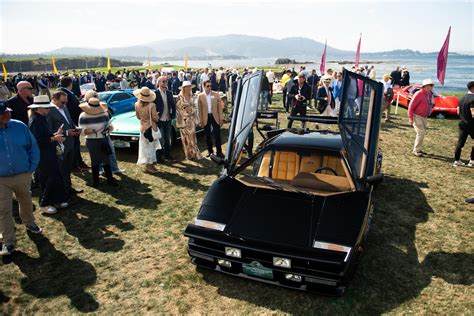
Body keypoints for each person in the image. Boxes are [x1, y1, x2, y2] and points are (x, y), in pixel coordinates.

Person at [0, 100, 42, 256]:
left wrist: (31, 168)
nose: (7, 114)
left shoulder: (19, 126)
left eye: (8, 111)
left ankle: (29, 222)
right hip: (1, 179)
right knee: (3, 210)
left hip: (22, 174)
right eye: (3, 113)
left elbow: (33, 147)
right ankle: (8, 241)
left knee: (25, 199)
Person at [28, 96, 70, 214]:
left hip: (48, 153)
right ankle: (45, 203)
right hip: (43, 154)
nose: (48, 110)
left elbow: (45, 135)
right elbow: (37, 140)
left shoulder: (41, 118)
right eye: (46, 107)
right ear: (38, 108)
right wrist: (54, 138)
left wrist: (55, 134)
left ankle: (57, 200)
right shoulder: (36, 120)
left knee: (55, 176)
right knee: (49, 178)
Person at [47, 90, 83, 195]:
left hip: (70, 144)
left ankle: (68, 187)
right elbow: (49, 130)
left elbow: (69, 121)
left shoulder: (64, 107)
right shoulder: (49, 111)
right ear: (54, 99)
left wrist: (75, 128)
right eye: (62, 102)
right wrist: (67, 133)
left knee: (67, 168)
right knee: (61, 169)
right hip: (59, 145)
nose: (65, 104)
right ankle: (63, 191)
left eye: (66, 102)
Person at [78, 97, 118, 187]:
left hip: (104, 139)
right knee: (95, 160)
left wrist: (109, 128)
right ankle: (96, 181)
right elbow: (82, 131)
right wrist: (93, 131)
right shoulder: (83, 116)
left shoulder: (104, 113)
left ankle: (110, 180)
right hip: (92, 141)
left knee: (106, 160)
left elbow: (110, 125)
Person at [59, 76, 89, 171]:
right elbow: (69, 109)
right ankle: (75, 164)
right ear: (70, 84)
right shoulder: (63, 93)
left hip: (73, 123)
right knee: (73, 145)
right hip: (71, 123)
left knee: (76, 144)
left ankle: (78, 162)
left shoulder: (66, 92)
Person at [134, 87, 161, 174]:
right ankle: (149, 167)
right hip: (150, 128)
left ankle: (151, 166)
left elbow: (138, 117)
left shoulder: (136, 104)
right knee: (151, 148)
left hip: (142, 129)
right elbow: (155, 118)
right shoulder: (152, 105)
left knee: (145, 148)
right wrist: (157, 116)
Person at [176, 81, 203, 160]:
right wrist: (185, 113)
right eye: (187, 87)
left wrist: (196, 117)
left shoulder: (191, 95)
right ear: (183, 88)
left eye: (189, 87)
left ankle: (195, 154)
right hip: (184, 121)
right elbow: (178, 110)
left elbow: (194, 107)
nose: (188, 88)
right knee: (185, 138)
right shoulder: (179, 97)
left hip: (191, 120)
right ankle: (188, 155)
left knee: (193, 137)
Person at [408, 79, 435, 157]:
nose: (432, 87)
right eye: (431, 85)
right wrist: (410, 118)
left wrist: (432, 104)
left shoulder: (429, 94)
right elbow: (411, 106)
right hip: (417, 116)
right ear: (426, 86)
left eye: (432, 85)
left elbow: (430, 104)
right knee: (421, 132)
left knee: (421, 133)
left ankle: (418, 149)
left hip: (424, 116)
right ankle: (416, 150)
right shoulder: (419, 94)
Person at [198, 80, 224, 158]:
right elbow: (199, 110)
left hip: (215, 117)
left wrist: (221, 118)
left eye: (210, 86)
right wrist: (200, 120)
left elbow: (220, 108)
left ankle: (219, 152)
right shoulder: (200, 96)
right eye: (207, 86)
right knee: (207, 135)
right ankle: (210, 151)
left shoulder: (216, 95)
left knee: (217, 134)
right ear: (204, 86)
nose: (209, 88)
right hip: (206, 117)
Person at [155, 76, 177, 162]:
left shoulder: (169, 93)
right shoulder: (155, 93)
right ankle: (159, 158)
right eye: (163, 81)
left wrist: (172, 115)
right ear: (159, 83)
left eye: (166, 81)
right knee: (160, 139)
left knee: (167, 139)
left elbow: (173, 106)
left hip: (168, 120)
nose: (165, 83)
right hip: (159, 120)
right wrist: (155, 117)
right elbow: (153, 107)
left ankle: (167, 156)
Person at [453, 81, 474, 167]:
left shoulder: (462, 98)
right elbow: (473, 113)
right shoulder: (473, 99)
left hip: (462, 124)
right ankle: (472, 161)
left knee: (460, 143)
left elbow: (458, 111)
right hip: (472, 125)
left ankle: (457, 160)